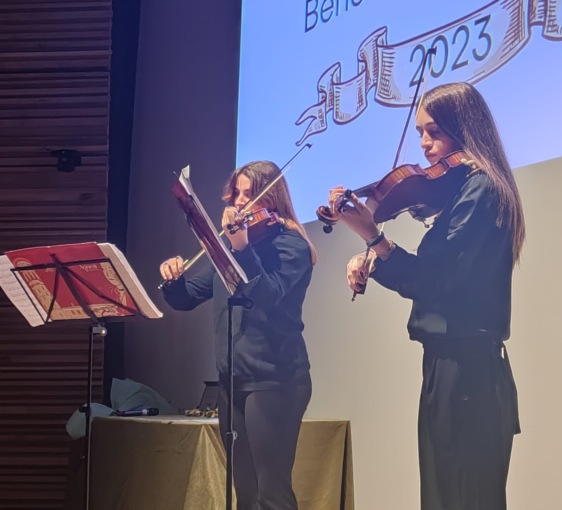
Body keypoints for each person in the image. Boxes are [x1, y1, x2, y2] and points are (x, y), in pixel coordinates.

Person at [330, 82, 525, 510]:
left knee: (465, 499)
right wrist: (375, 254)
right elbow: (437, 275)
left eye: (434, 132)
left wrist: (375, 239)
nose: (423, 144)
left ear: (465, 129)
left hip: (468, 372)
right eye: (420, 132)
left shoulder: (483, 189)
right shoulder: (463, 189)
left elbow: (436, 279)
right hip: (448, 366)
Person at [160, 161, 316, 510]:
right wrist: (174, 280)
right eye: (236, 193)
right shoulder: (227, 247)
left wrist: (243, 248)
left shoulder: (291, 246)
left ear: (273, 198)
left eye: (250, 193)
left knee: (271, 493)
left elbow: (265, 295)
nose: (240, 201)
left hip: (275, 380)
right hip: (232, 381)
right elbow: (188, 297)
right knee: (246, 495)